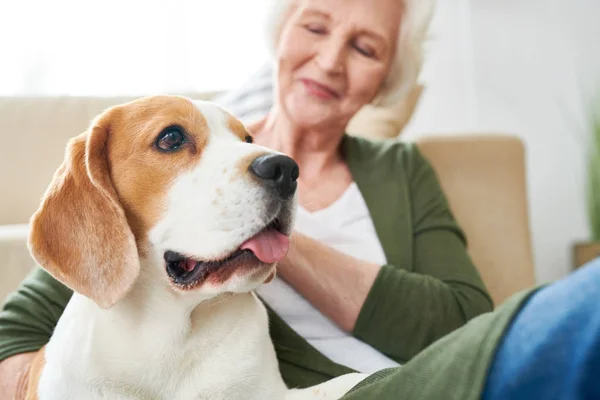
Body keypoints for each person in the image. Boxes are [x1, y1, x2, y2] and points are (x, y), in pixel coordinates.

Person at [0, 0, 497, 397]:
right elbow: (21, 330)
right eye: (316, 28)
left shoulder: (402, 169)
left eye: (365, 48)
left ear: (387, 78)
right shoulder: (180, 150)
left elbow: (471, 329)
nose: (330, 61)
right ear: (281, 33)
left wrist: (270, 231)